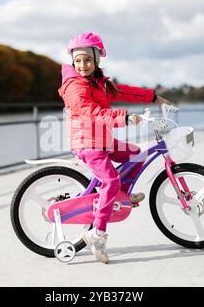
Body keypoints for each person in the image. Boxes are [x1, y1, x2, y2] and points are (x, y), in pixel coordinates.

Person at [58, 32, 171, 264]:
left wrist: (154, 98)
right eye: (78, 60)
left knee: (137, 154)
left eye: (88, 60)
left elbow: (125, 91)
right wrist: (124, 117)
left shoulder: (98, 81)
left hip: (103, 140)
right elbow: (89, 111)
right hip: (87, 143)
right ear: (72, 61)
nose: (82, 65)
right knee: (110, 180)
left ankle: (122, 195)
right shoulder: (74, 86)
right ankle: (97, 234)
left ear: (97, 61)